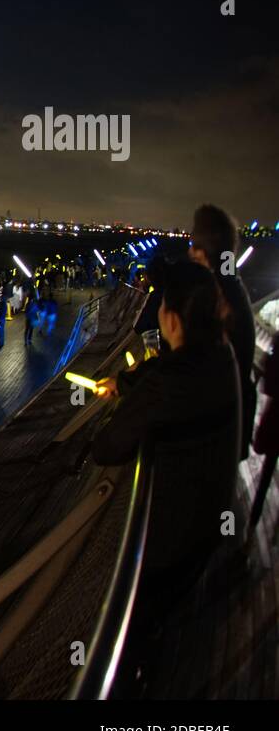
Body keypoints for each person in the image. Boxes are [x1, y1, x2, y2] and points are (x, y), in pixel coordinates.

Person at [92, 261, 241, 668]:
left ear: (172, 320)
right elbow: (170, 368)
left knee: (131, 635)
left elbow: (106, 448)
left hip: (165, 548)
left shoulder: (168, 385)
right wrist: (125, 383)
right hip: (208, 527)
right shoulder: (220, 356)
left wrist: (121, 401)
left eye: (161, 306)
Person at [189, 204, 257, 460]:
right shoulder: (232, 287)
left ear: (201, 252)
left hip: (215, 435)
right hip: (233, 424)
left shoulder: (216, 300)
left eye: (193, 243)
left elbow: (191, 366)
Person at [246, 344, 277, 541]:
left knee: (266, 474)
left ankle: (250, 526)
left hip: (276, 420)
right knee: (266, 474)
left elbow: (270, 381)